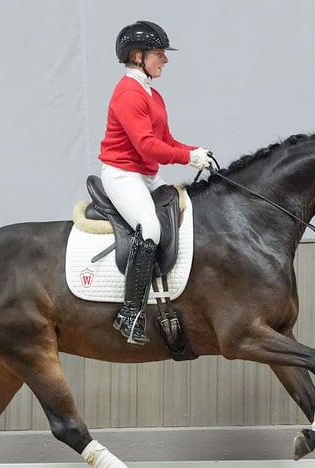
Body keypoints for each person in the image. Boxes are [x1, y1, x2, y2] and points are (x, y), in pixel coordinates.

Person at [99, 20, 216, 346]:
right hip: (123, 174)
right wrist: (187, 158)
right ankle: (130, 311)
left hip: (147, 175)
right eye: (159, 54)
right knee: (149, 228)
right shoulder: (127, 93)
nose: (164, 60)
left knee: (186, 212)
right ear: (138, 56)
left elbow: (164, 140)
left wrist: (194, 152)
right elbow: (147, 146)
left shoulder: (153, 94)